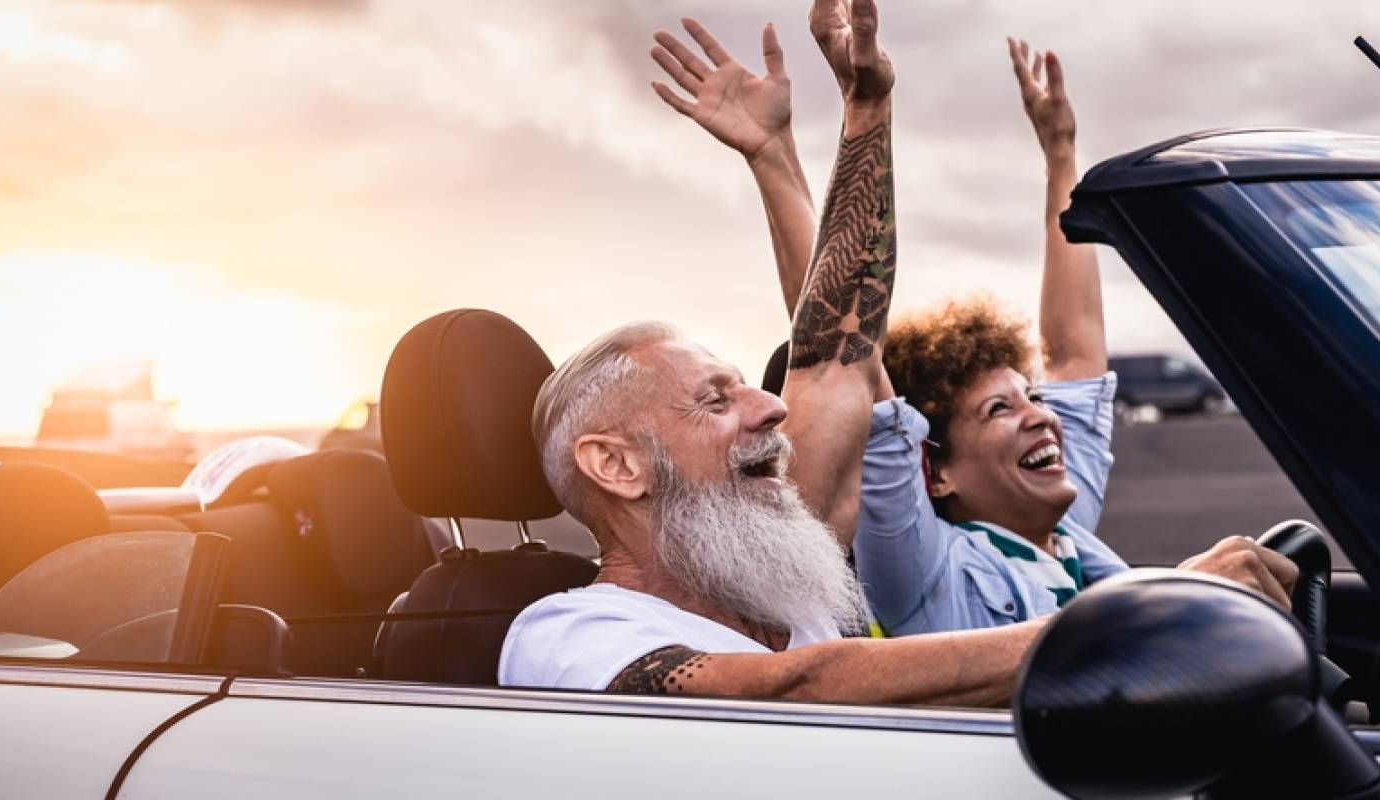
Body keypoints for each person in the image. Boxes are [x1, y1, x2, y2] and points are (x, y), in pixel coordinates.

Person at [663, 25, 1298, 635]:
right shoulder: (925, 567)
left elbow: (1073, 351)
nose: (1040, 417)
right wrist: (775, 157)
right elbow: (843, 345)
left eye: (1033, 397)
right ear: (935, 473)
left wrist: (1061, 157)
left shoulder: (1065, 531)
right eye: (999, 409)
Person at [500, 0, 1044, 706]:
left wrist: (865, 112)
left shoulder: (783, 591)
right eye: (715, 399)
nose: (772, 405)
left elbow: (840, 352)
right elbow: (799, 691)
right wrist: (1109, 626)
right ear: (617, 464)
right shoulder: (569, 634)